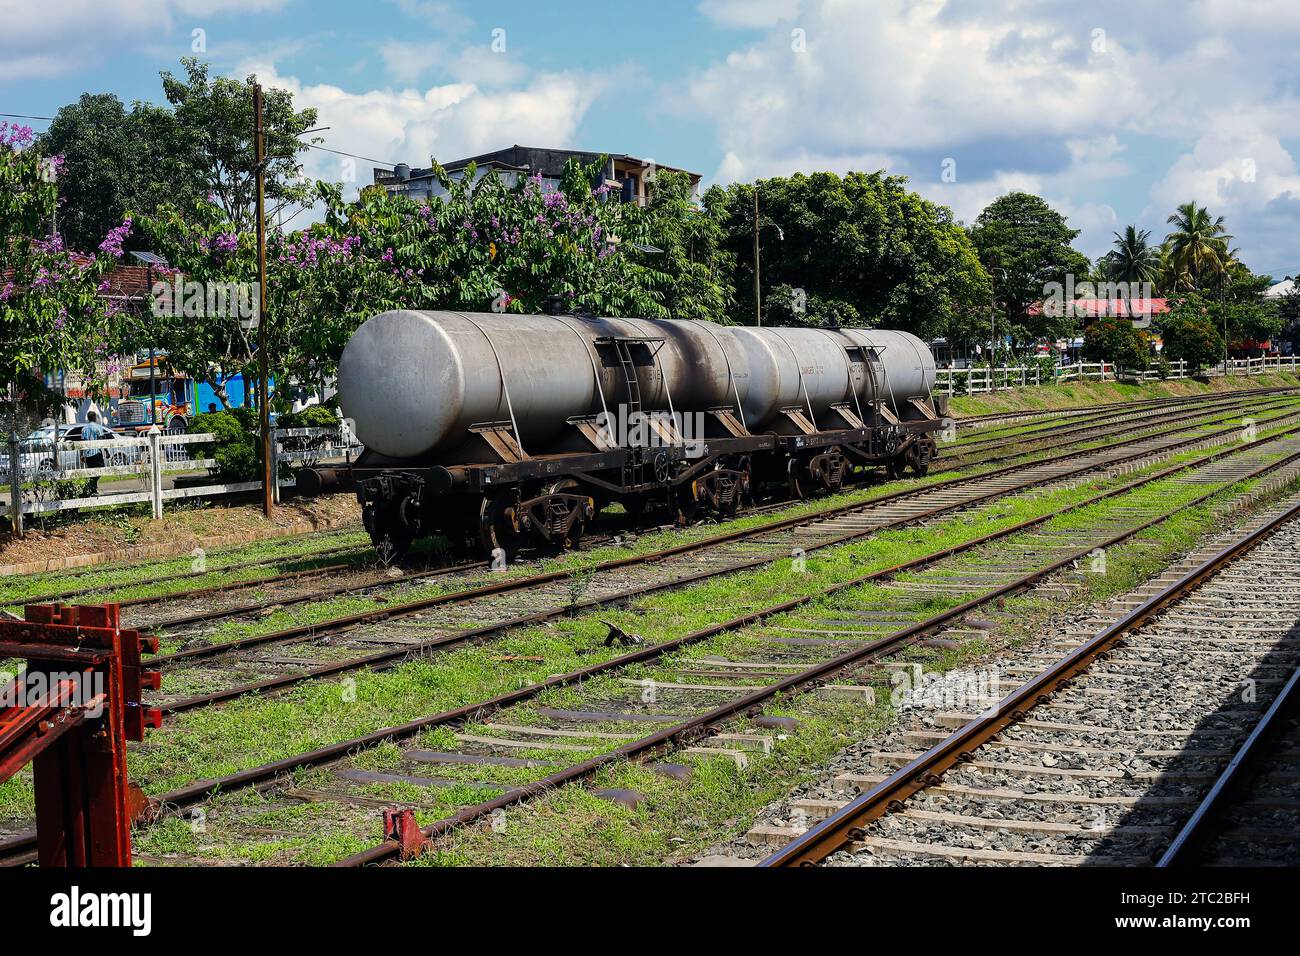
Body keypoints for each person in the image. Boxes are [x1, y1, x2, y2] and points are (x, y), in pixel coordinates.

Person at [81, 411, 111, 495]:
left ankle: (92, 488)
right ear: (94, 417)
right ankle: (91, 486)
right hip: (96, 452)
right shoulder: (98, 427)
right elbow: (101, 440)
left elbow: (82, 443)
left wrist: (82, 455)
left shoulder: (84, 429)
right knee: (101, 469)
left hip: (87, 454)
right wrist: (106, 452)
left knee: (91, 471)